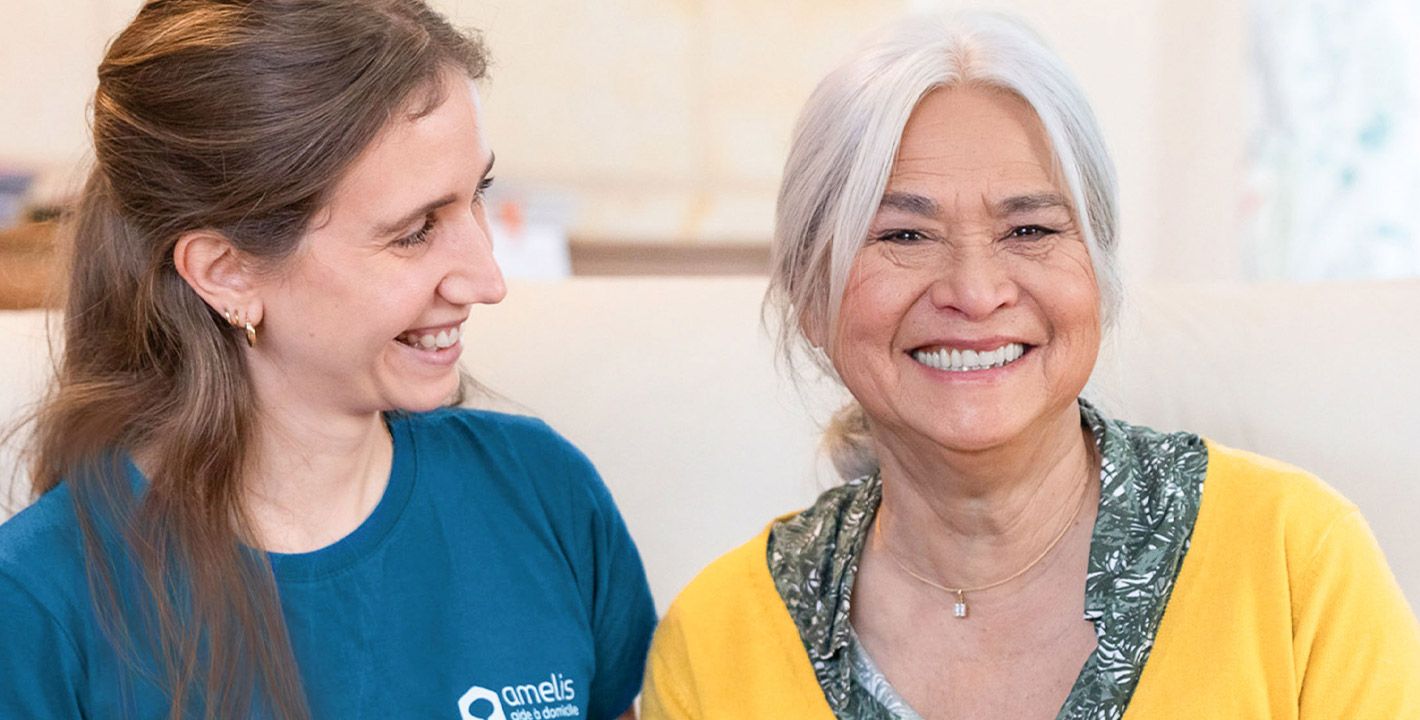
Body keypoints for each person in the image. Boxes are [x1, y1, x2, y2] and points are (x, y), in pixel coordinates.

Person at [641, 12, 1420, 719]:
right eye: (905, 237)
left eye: (1030, 230)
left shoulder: (1295, 561)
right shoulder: (716, 643)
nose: (976, 293)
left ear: (1098, 276)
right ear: (813, 296)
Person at [0, 1, 655, 718]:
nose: (486, 279)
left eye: (478, 198)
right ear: (226, 273)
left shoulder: (543, 495)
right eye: (413, 232)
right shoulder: (36, 604)